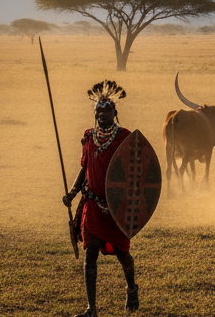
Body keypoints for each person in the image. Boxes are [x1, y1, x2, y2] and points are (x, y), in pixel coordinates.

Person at [62, 81, 138, 317]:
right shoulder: (89, 137)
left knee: (123, 253)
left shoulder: (124, 138)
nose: (101, 115)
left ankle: (132, 288)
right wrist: (73, 193)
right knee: (90, 254)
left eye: (106, 111)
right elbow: (84, 169)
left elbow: (136, 172)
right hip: (92, 206)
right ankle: (91, 309)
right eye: (97, 112)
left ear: (115, 112)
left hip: (115, 209)